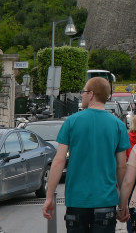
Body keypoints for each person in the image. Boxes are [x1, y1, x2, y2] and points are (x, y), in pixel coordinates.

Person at [42, 77, 130, 232]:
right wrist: (123, 204)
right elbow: (121, 167)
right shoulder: (118, 125)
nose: (81, 95)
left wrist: (49, 197)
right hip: (105, 201)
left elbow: (58, 161)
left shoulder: (71, 122)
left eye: (83, 92)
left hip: (77, 201)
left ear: (91, 94)